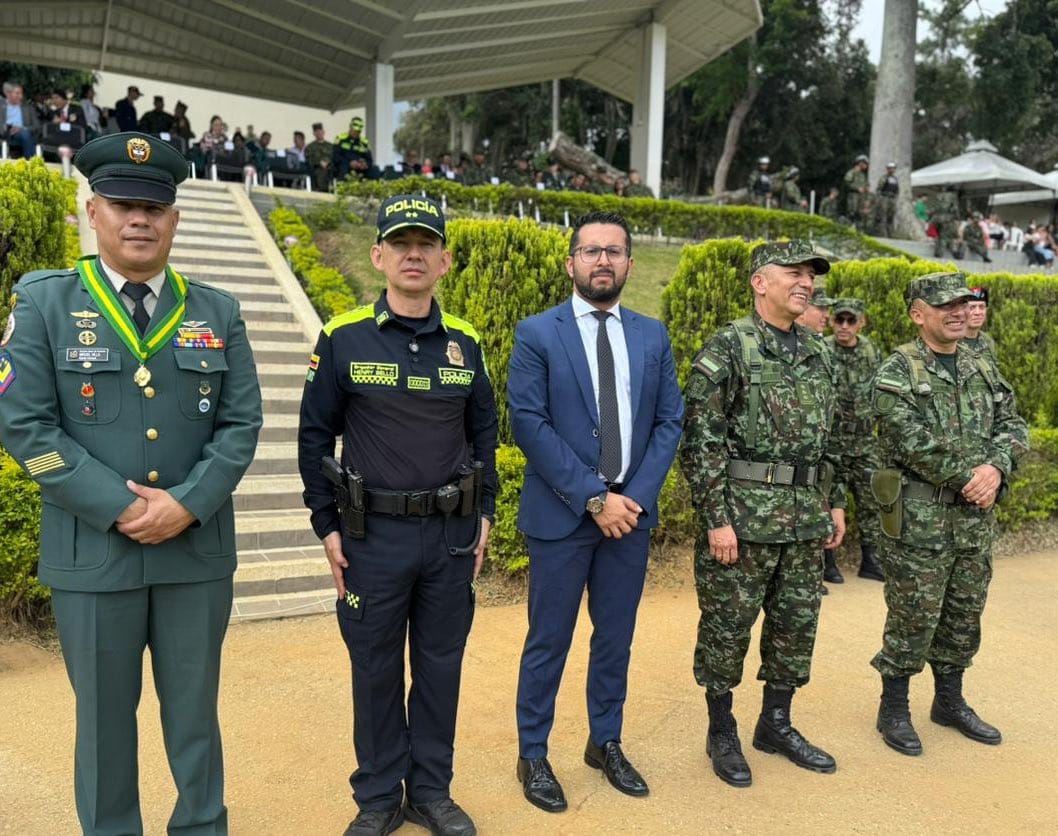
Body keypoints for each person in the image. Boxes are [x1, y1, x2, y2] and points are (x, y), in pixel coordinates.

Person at [0, 131, 262, 834]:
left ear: (175, 219)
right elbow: (24, 426)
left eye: (154, 207)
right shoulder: (45, 303)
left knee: (194, 721)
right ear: (94, 211)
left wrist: (187, 504)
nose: (138, 219)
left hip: (193, 555)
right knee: (105, 726)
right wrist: (121, 507)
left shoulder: (218, 311)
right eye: (122, 203)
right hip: (94, 555)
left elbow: (241, 427)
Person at [298, 194, 497, 836]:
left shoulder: (466, 342)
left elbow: (486, 436)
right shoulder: (342, 335)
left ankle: (432, 792)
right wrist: (325, 526)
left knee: (440, 667)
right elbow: (312, 437)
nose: (414, 254)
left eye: (426, 245)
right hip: (370, 538)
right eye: (400, 243)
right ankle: (380, 796)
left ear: (444, 261)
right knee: (376, 668)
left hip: (449, 538)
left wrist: (486, 515)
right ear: (379, 255)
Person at [508, 210, 683, 812]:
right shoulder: (537, 333)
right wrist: (591, 496)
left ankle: (604, 741)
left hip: (629, 518)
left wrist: (630, 499)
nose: (602, 261)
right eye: (590, 251)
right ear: (571, 263)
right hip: (562, 516)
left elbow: (668, 421)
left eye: (614, 252)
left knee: (615, 639)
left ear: (630, 263)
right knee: (548, 640)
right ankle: (534, 752)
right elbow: (528, 424)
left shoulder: (651, 335)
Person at [679, 240, 846, 789]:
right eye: (793, 273)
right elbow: (700, 441)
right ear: (759, 282)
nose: (805, 282)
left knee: (796, 627)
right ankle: (721, 729)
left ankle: (776, 722)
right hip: (742, 523)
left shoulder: (820, 353)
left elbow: (836, 437)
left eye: (811, 276)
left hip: (803, 521)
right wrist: (716, 518)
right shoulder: (728, 348)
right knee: (727, 630)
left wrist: (836, 501)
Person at [870, 272, 1027, 757]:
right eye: (947, 306)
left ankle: (949, 701)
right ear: (919, 314)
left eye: (965, 304)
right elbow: (908, 439)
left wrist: (998, 467)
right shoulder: (899, 370)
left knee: (964, 612)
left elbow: (1013, 423)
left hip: (974, 520)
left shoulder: (981, 365)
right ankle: (894, 706)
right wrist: (972, 476)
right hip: (921, 519)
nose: (960, 312)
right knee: (914, 615)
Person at [826, 298, 885, 582]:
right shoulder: (823, 350)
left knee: (871, 500)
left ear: (862, 322)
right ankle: (826, 560)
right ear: (831, 321)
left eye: (851, 321)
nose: (845, 326)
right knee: (828, 497)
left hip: (863, 441)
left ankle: (871, 560)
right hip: (832, 441)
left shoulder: (871, 351)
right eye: (840, 320)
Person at [3, 81, 41, 158]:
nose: (20, 96)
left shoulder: (28, 108)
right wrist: (8, 128)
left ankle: (30, 161)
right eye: (17, 93)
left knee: (25, 133)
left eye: (21, 93)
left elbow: (37, 126)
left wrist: (22, 128)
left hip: (23, 134)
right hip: (5, 133)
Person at [334, 115, 375, 180]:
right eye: (355, 131)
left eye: (358, 132)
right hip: (345, 168)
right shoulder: (341, 138)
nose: (356, 133)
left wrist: (365, 164)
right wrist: (349, 163)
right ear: (350, 127)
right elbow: (335, 157)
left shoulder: (364, 142)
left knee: (374, 170)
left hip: (360, 170)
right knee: (343, 168)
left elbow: (370, 160)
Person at [962, 286, 997, 362]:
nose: (977, 312)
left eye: (981, 307)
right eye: (972, 307)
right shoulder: (951, 342)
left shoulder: (987, 341)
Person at [927, 188, 961, 259]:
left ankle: (938, 252)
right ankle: (948, 253)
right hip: (947, 220)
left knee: (941, 237)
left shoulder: (939, 196)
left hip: (938, 219)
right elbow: (955, 209)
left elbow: (935, 208)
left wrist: (931, 215)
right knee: (945, 238)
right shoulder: (953, 197)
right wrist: (957, 217)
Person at [305, 122, 335, 192]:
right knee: (320, 172)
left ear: (323, 132)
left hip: (331, 168)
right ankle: (323, 191)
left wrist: (328, 162)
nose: (319, 133)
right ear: (314, 134)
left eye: (320, 131)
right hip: (317, 170)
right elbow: (309, 160)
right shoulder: (310, 147)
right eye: (317, 132)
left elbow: (335, 157)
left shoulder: (331, 146)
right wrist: (319, 162)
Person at [844, 154, 870, 229]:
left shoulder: (863, 175)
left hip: (861, 198)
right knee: (852, 214)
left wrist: (866, 200)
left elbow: (866, 187)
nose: (866, 166)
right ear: (860, 163)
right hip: (853, 197)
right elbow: (847, 183)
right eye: (865, 163)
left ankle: (859, 233)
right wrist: (857, 188)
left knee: (860, 216)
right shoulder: (852, 172)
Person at [875, 162, 899, 237]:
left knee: (891, 216)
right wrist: (879, 199)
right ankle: (882, 234)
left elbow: (897, 190)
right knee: (883, 216)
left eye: (893, 168)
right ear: (887, 169)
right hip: (884, 198)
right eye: (890, 168)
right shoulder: (883, 178)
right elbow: (879, 189)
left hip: (892, 199)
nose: (892, 170)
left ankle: (891, 234)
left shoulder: (895, 179)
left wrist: (896, 198)